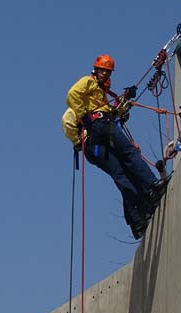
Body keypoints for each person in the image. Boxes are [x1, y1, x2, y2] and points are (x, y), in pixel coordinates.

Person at [63, 54, 168, 239]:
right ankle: (151, 187)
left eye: (108, 72)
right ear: (96, 69)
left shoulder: (100, 98)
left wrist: (125, 99)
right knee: (128, 155)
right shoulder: (87, 86)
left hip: (98, 133)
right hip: (95, 134)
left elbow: (111, 112)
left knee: (122, 172)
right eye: (102, 70)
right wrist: (83, 124)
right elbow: (71, 102)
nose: (105, 76)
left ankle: (138, 217)